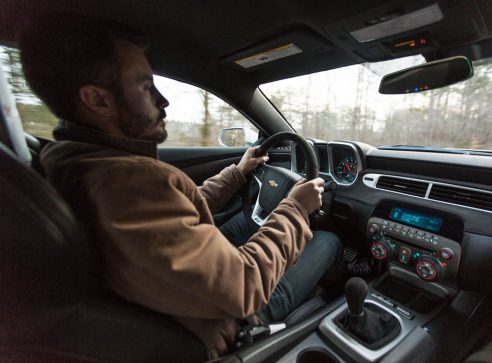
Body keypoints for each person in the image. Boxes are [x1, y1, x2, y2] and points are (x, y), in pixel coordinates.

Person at [18, 17, 341, 358]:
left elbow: (172, 215)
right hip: (231, 319)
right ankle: (331, 304)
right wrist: (295, 208)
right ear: (98, 101)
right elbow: (244, 287)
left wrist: (237, 173)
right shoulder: (127, 182)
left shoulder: (74, 160)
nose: (163, 101)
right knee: (329, 241)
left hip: (180, 293)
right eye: (145, 87)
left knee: (251, 222)